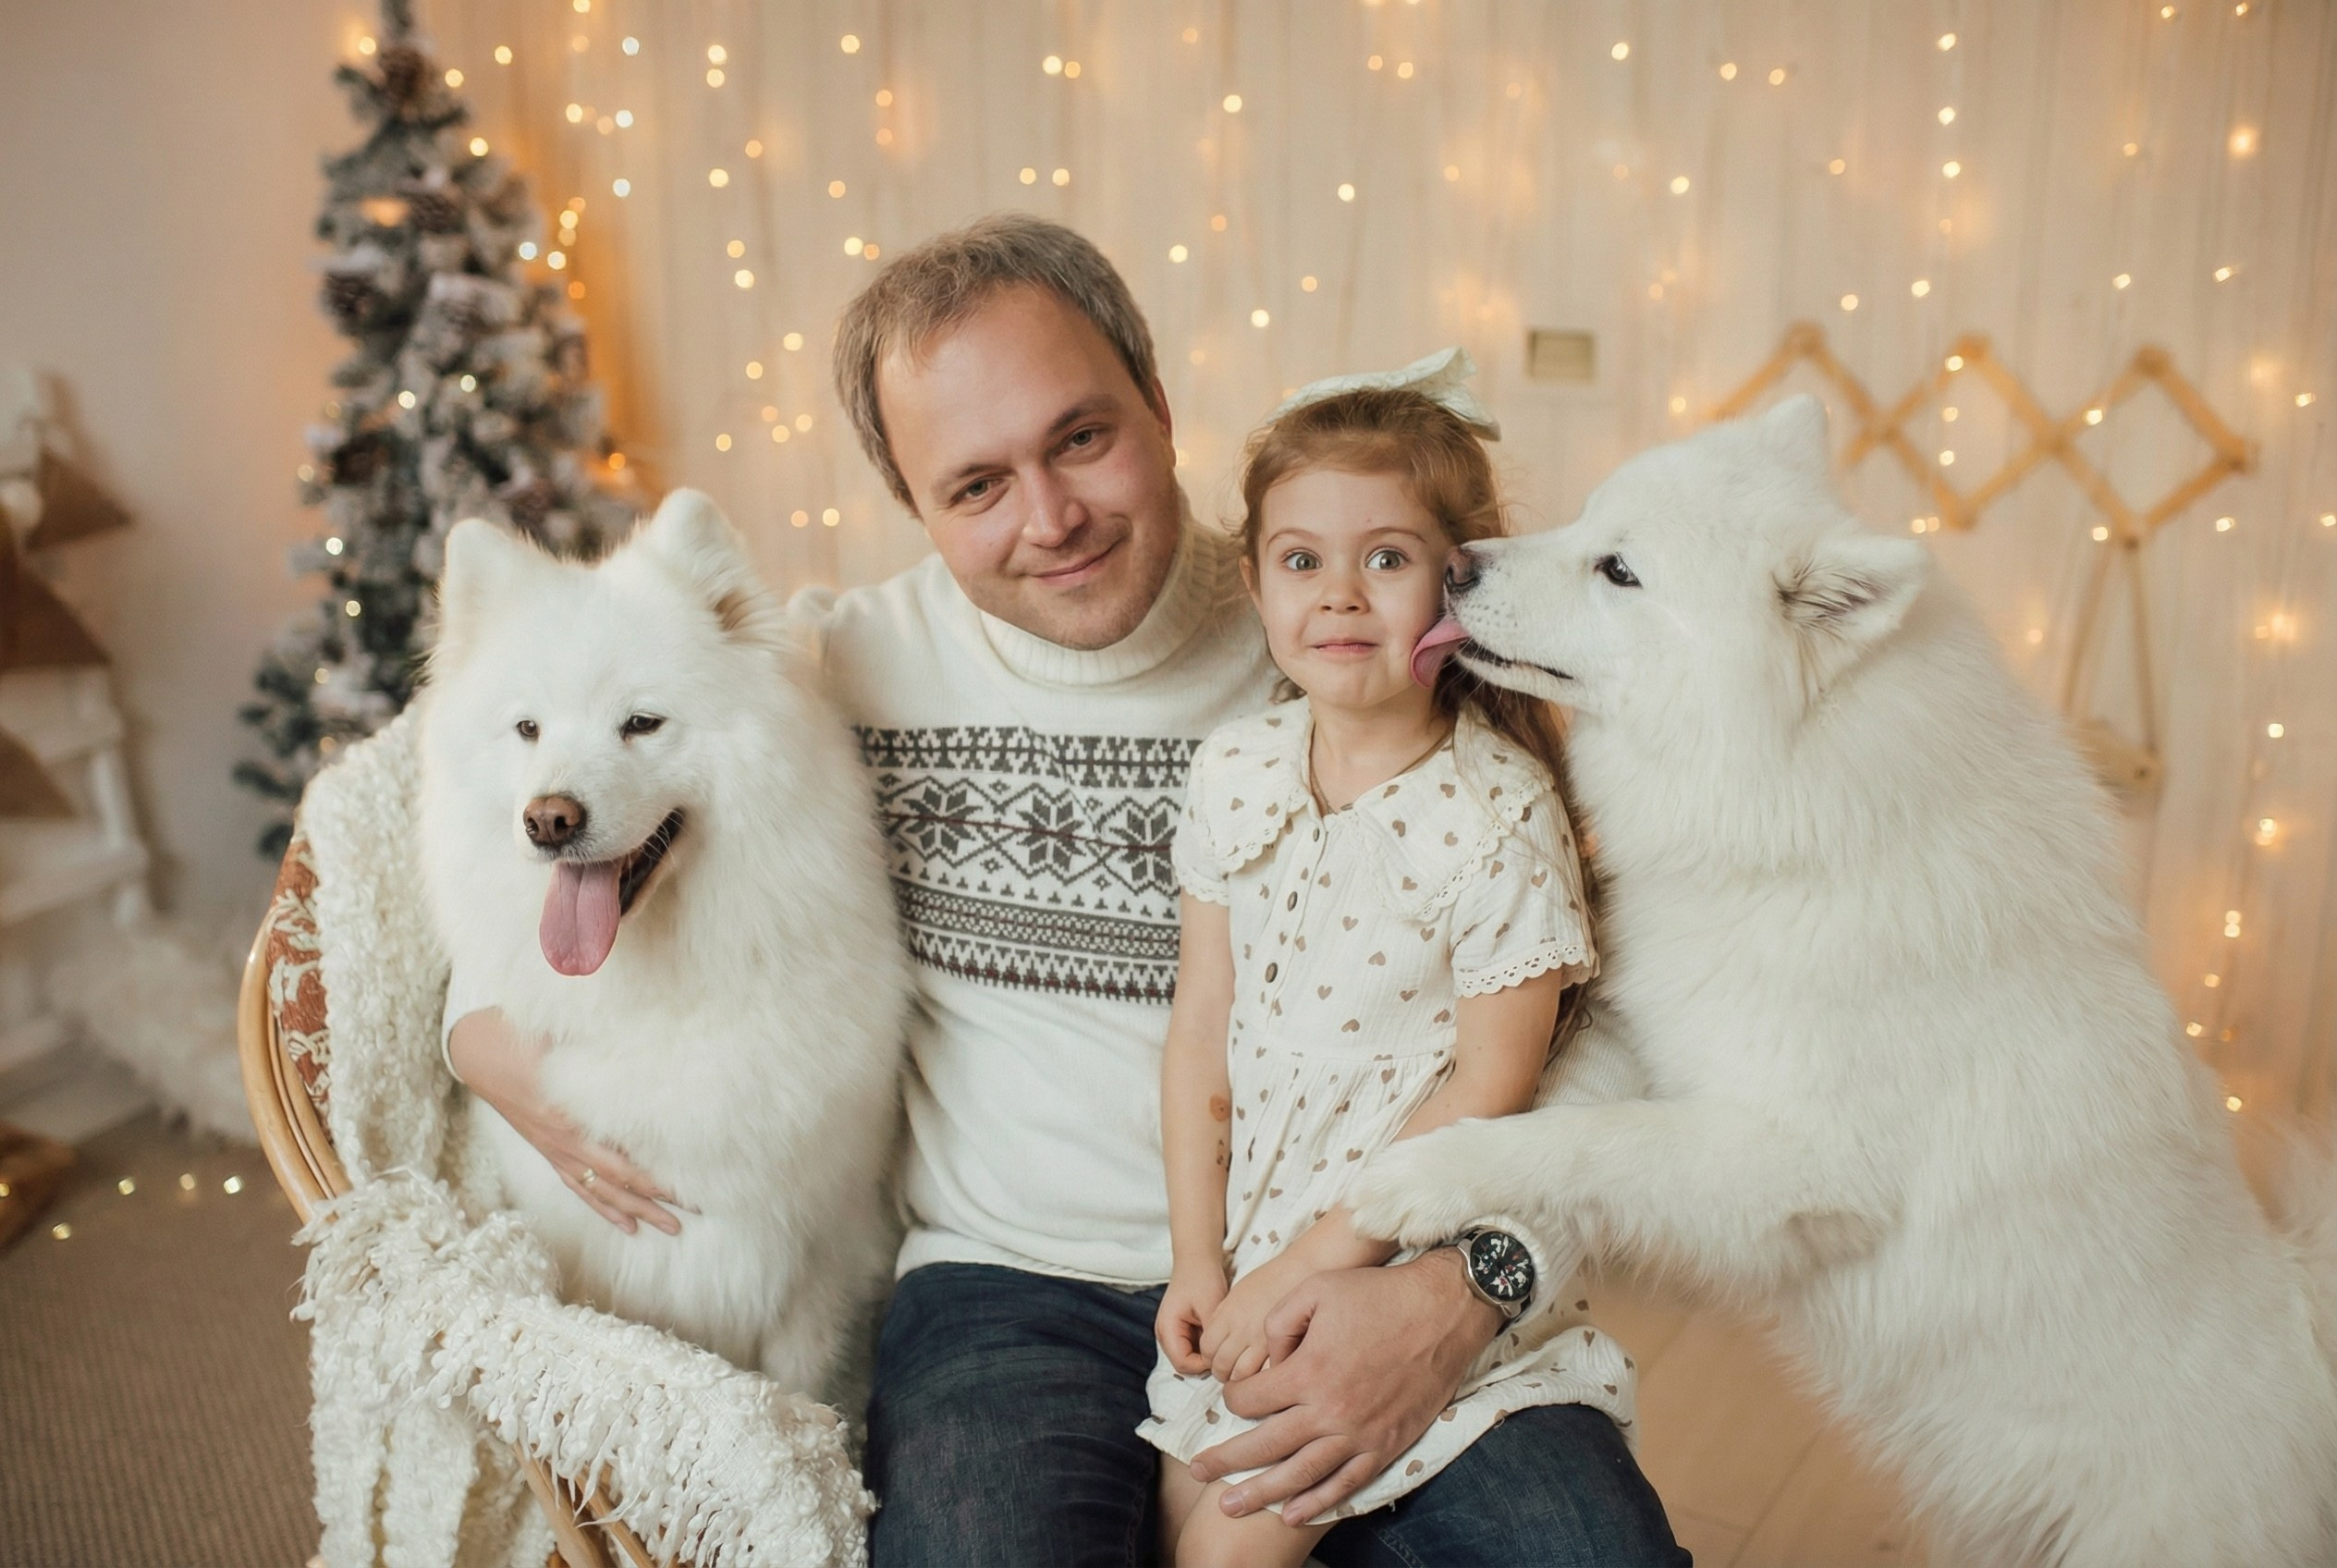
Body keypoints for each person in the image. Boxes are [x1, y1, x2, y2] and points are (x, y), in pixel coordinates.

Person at [445, 213, 1688, 1565]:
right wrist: (479, 1020)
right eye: (975, 486)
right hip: (1008, 1294)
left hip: (1373, 1265)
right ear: (912, 507)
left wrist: (1468, 1287)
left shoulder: (1347, 631)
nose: (1051, 520)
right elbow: (551, 774)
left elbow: (1603, 1026)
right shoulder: (824, 683)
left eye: (1080, 438)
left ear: (1159, 404)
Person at [1147, 362, 1627, 1566]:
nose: (1342, 596)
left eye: (1390, 559)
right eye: (1301, 560)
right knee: (1170, 1517)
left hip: (1390, 1261)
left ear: (1457, 586)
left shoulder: (1498, 815)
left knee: (1231, 1541)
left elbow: (1488, 1089)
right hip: (1248, 1256)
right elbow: (1201, 1028)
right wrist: (1200, 1262)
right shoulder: (1236, 771)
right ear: (1254, 581)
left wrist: (1319, 1264)